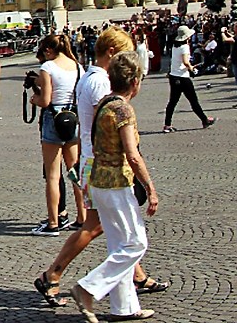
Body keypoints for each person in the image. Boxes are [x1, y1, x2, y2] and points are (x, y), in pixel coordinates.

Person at [37, 28, 164, 308]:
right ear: (112, 52)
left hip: (93, 160)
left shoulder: (90, 76)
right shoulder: (99, 82)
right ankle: (53, 274)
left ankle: (135, 279)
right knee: (97, 227)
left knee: (111, 227)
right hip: (101, 164)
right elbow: (106, 128)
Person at [71, 53, 158, 320]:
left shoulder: (104, 104)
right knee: (135, 244)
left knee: (119, 244)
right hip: (117, 183)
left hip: (97, 181)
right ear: (134, 82)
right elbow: (133, 155)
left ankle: (124, 307)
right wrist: (150, 188)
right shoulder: (123, 109)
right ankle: (88, 288)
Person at [34, 34, 81, 235]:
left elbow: (45, 100)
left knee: (53, 175)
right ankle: (82, 217)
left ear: (48, 50)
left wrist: (34, 100)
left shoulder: (48, 67)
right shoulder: (77, 66)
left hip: (53, 118)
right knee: (75, 172)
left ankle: (53, 222)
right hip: (72, 116)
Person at [161, 25, 213, 132]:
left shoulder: (175, 46)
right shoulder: (185, 47)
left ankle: (167, 124)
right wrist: (191, 68)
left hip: (174, 76)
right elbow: (185, 61)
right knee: (193, 101)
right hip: (183, 77)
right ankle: (205, 120)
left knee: (172, 102)